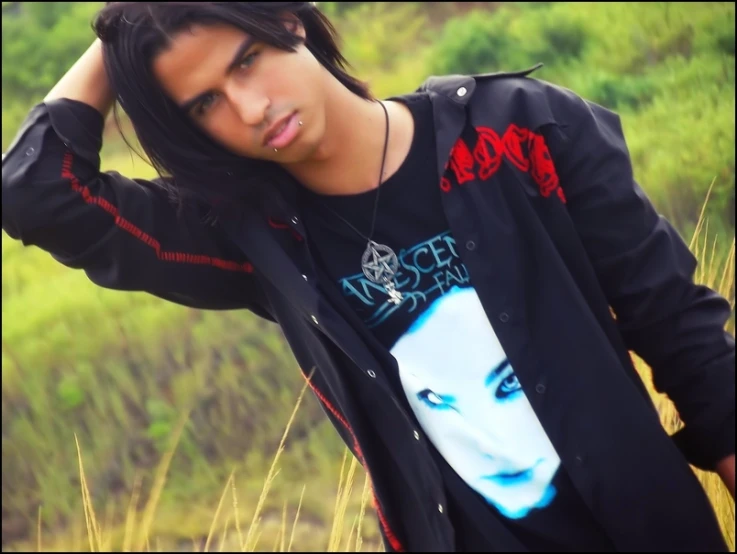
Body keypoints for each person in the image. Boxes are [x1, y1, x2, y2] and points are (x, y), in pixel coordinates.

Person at [2, 2, 734, 552]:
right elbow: (37, 193)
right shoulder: (258, 240)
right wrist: (121, 30)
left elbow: (682, 335)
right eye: (204, 105)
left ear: (291, 22)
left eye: (247, 58)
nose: (250, 108)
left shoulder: (517, 134)